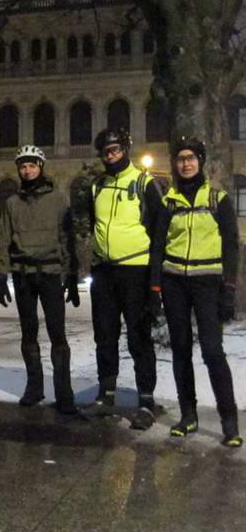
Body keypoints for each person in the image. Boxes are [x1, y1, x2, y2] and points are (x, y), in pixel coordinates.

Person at [149, 137, 242, 447]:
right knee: (181, 349)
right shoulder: (168, 202)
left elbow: (231, 245)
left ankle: (229, 421)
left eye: (191, 158)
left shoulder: (218, 198)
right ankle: (188, 415)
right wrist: (155, 287)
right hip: (175, 282)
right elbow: (158, 246)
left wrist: (229, 288)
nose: (185, 163)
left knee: (213, 351)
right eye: (180, 159)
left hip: (207, 283)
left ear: (200, 162)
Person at [0, 145, 79, 414]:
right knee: (28, 332)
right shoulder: (12, 203)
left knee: (57, 334)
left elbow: (67, 238)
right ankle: (34, 386)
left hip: (51, 274)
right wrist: (0, 275)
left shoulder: (58, 199)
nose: (27, 170)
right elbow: (4, 239)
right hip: (23, 276)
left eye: (32, 165)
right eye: (23, 166)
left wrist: (72, 273)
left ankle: (64, 392)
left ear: (41, 167)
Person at [89, 128, 163, 429]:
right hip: (105, 271)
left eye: (116, 150)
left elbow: (159, 234)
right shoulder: (97, 186)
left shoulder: (145, 183)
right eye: (106, 152)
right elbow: (94, 224)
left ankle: (146, 401)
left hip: (137, 270)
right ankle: (106, 394)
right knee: (104, 335)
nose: (110, 155)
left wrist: (155, 282)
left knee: (139, 337)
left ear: (126, 150)